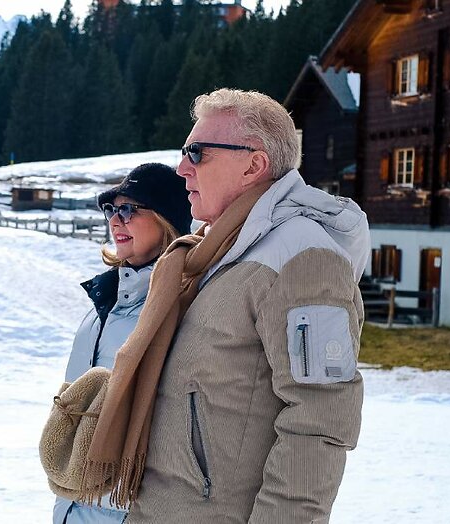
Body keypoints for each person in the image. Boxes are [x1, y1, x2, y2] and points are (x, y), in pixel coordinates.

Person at [80, 89, 370, 523]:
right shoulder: (212, 255)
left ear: (254, 164)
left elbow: (321, 419)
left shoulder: (302, 258)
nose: (182, 169)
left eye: (196, 154)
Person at [54, 163, 192, 524]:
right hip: (72, 502)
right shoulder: (105, 299)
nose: (116, 220)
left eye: (130, 209)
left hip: (127, 509)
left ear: (166, 221)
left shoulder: (176, 310)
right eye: (111, 210)